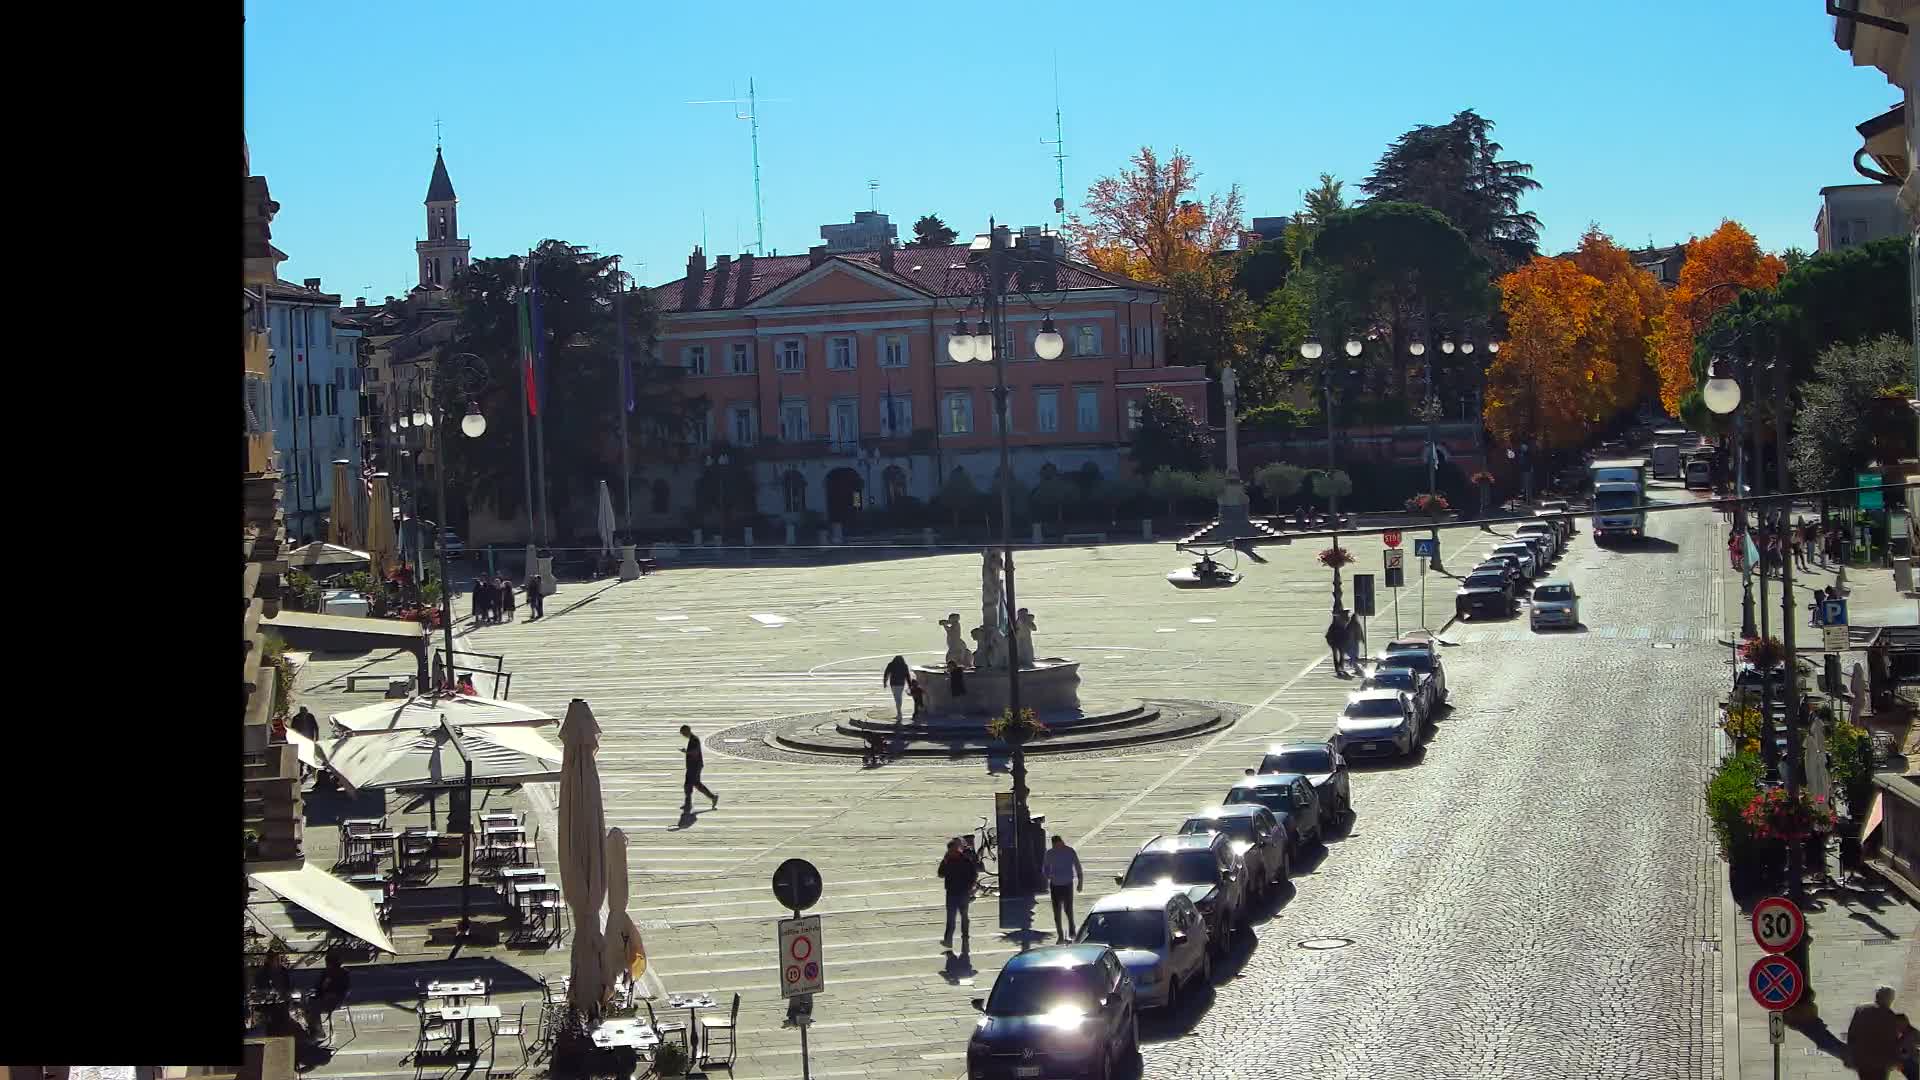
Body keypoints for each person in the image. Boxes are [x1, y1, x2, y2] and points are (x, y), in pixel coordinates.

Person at [1850, 987, 1903, 1080]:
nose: (1892, 1001)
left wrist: (1851, 1054)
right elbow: (1892, 1041)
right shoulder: (1889, 1015)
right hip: (1880, 1062)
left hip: (1862, 1059)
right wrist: (1895, 1060)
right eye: (1891, 999)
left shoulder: (1861, 1009)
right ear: (1887, 999)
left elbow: (1852, 1032)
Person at [1041, 834, 1084, 943]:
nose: (1057, 847)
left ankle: (1072, 930)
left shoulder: (1070, 851)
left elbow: (1078, 867)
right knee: (1057, 912)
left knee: (1068, 910)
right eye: (1054, 845)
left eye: (1058, 844)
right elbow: (1045, 867)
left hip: (1067, 884)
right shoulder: (1050, 853)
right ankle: (1060, 934)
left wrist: (1080, 883)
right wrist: (1047, 876)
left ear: (1061, 842)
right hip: (1055, 885)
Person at [938, 837, 978, 951]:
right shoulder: (948, 860)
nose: (951, 852)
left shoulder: (965, 860)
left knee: (963, 916)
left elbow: (973, 874)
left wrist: (971, 887)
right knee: (952, 918)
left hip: (961, 892)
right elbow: (940, 874)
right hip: (952, 892)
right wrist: (944, 862)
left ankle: (964, 936)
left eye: (952, 850)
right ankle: (948, 940)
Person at [302, 951, 352, 1037]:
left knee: (312, 1005)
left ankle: (317, 1030)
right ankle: (314, 1028)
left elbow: (321, 987)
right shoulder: (343, 973)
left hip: (332, 1001)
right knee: (309, 1003)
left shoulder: (331, 973)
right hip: (336, 1000)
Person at [679, 724, 717, 812]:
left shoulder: (694, 739)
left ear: (687, 731)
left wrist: (686, 751)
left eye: (683, 733)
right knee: (694, 784)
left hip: (695, 766)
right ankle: (712, 797)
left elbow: (694, 752)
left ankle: (688, 804)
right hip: (693, 766)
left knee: (689, 785)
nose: (683, 735)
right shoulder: (692, 739)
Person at [883, 655, 913, 721]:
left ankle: (899, 713)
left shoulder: (891, 664)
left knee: (896, 697)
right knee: (899, 697)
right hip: (901, 683)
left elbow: (886, 674)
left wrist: (885, 682)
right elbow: (907, 676)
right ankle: (899, 712)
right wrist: (910, 685)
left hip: (893, 683)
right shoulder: (904, 665)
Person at [1325, 611, 1349, 677]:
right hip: (1336, 643)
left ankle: (1339, 669)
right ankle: (1339, 669)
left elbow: (1327, 636)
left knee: (1339, 656)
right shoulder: (1337, 626)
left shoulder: (1339, 625)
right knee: (1339, 656)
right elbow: (1328, 636)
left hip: (1337, 643)